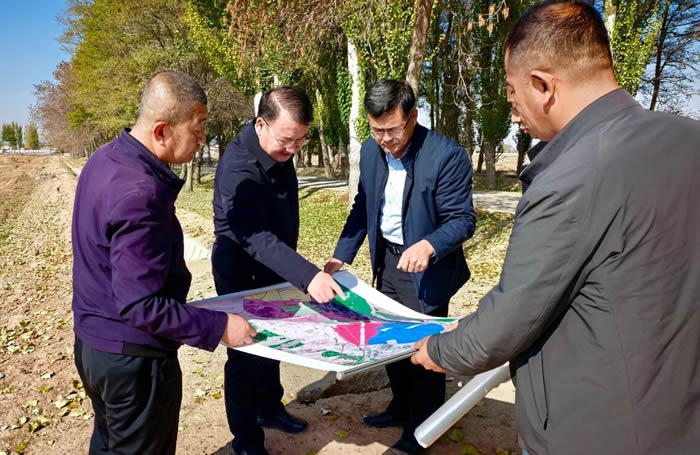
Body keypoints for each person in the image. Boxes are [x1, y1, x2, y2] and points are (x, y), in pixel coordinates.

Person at [411, 3, 700, 454]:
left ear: (543, 86)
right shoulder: (687, 139)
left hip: (591, 430)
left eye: (512, 97)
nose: (514, 116)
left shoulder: (571, 178)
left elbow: (511, 318)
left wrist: (439, 350)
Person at [72, 70, 257, 455]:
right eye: (198, 126)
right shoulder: (140, 193)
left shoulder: (104, 159)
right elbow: (141, 305)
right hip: (133, 363)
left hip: (93, 347)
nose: (203, 137)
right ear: (161, 131)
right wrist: (220, 326)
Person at [324, 79, 476, 455]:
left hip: (427, 269)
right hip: (388, 262)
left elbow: (462, 219)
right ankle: (401, 406)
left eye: (392, 130)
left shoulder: (446, 155)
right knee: (390, 342)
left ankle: (422, 427)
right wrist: (342, 254)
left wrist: (429, 244)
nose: (385, 140)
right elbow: (363, 206)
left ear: (413, 117)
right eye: (377, 131)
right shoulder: (371, 151)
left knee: (423, 347)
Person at [212, 86, 345, 455]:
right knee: (244, 351)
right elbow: (253, 235)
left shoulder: (281, 150)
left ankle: (270, 408)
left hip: (276, 263)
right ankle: (246, 439)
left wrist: (292, 268)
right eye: (286, 140)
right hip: (241, 271)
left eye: (301, 140)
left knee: (274, 338)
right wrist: (308, 275)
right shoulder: (238, 166)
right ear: (261, 124)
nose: (292, 149)